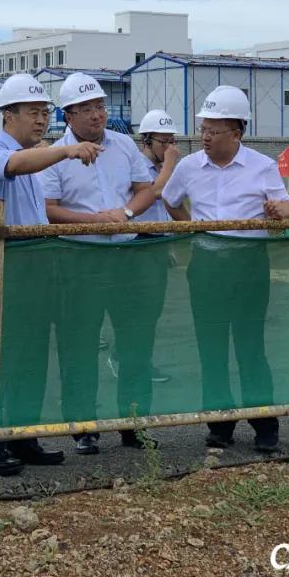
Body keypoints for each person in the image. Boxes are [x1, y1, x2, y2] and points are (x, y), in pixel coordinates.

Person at [0, 73, 101, 476]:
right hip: (4, 267)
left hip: (36, 269)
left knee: (32, 358)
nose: (41, 120)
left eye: (45, 112)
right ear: (8, 115)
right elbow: (14, 164)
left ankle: (23, 436)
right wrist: (65, 151)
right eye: (32, 112)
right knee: (2, 355)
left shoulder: (34, 157)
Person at [39, 73, 170, 455]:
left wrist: (125, 214)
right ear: (68, 115)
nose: (97, 115)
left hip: (127, 257)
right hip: (78, 259)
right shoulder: (56, 155)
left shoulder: (124, 145)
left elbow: (144, 190)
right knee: (78, 345)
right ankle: (83, 426)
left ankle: (134, 424)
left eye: (100, 106)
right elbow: (48, 209)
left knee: (136, 343)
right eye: (86, 109)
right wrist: (93, 221)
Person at [162, 86, 289, 453]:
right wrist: (193, 228)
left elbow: (284, 206)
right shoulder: (189, 167)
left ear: (236, 132)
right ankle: (219, 424)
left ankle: (264, 425)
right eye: (203, 128)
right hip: (206, 266)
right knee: (211, 347)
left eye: (213, 130)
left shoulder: (261, 166)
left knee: (251, 347)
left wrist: (278, 212)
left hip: (248, 265)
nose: (205, 136)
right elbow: (170, 200)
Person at [104, 109, 183, 387]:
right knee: (136, 312)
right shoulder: (136, 165)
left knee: (152, 312)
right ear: (146, 141)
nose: (170, 147)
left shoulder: (163, 169)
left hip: (157, 244)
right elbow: (153, 193)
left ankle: (140, 361)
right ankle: (125, 359)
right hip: (136, 245)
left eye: (172, 141)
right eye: (164, 141)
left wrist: (170, 245)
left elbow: (167, 206)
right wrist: (170, 165)